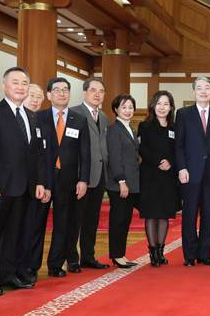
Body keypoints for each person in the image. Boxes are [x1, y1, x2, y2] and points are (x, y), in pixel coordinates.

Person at [0, 67, 45, 297]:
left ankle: (8, 273)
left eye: (24, 83)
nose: (20, 87)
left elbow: (34, 153)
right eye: (15, 82)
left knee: (14, 233)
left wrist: (36, 182)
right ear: (4, 86)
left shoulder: (31, 116)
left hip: (24, 186)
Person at [38, 77, 90, 277]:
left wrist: (83, 179)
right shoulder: (39, 117)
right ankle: (30, 265)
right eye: (57, 90)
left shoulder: (79, 119)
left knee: (64, 223)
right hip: (43, 179)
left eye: (65, 90)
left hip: (68, 180)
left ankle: (56, 264)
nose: (62, 93)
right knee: (37, 223)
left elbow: (85, 153)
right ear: (49, 95)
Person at [175, 77, 210, 266]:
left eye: (207, 88)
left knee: (208, 216)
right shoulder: (184, 114)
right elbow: (178, 145)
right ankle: (189, 255)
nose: (203, 91)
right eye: (200, 88)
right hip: (190, 173)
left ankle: (204, 254)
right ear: (194, 91)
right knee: (189, 215)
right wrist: (181, 168)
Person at [71, 78, 111, 270]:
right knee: (75, 219)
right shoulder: (74, 113)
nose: (97, 94)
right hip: (81, 177)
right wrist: (80, 177)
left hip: (99, 175)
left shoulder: (103, 117)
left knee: (92, 220)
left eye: (101, 91)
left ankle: (88, 256)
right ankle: (71, 259)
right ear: (85, 92)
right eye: (93, 90)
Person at [139, 91, 181, 266]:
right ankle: (152, 252)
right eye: (159, 103)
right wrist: (158, 161)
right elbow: (142, 148)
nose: (162, 107)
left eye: (166, 104)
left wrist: (170, 162)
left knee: (164, 214)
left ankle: (161, 251)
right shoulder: (145, 125)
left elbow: (179, 149)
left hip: (168, 176)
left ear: (171, 107)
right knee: (151, 214)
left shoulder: (175, 127)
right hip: (150, 175)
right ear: (153, 106)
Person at [17, 83, 52, 284]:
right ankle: (18, 266)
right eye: (32, 95)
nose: (36, 100)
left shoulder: (42, 125)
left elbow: (46, 159)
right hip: (19, 186)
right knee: (20, 229)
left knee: (37, 228)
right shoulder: (16, 121)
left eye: (39, 97)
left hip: (40, 187)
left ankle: (32, 266)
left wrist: (46, 185)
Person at [106, 94, 141, 268]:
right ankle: (116, 255)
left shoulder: (130, 128)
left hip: (131, 183)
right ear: (116, 109)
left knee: (125, 220)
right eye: (124, 107)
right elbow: (114, 157)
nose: (128, 111)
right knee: (118, 220)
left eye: (130, 107)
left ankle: (121, 254)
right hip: (120, 184)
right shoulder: (114, 129)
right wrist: (121, 181)